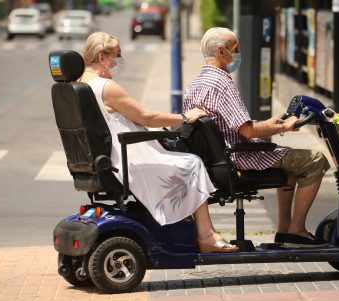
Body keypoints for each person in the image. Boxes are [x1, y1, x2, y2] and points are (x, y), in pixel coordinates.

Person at [79, 32, 238, 253]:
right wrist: (184, 118)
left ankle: (193, 230)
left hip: (107, 158)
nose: (119, 61)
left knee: (184, 161)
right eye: (117, 55)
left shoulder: (79, 85)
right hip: (128, 158)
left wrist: (153, 129)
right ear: (102, 56)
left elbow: (118, 120)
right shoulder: (105, 86)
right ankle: (206, 235)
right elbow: (147, 117)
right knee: (192, 163)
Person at [183, 27, 331, 248]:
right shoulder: (222, 83)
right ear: (222, 52)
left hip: (215, 161)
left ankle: (284, 233)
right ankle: (297, 230)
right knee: (317, 160)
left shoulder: (193, 85)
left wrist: (274, 124)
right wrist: (282, 126)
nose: (238, 54)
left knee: (291, 166)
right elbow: (248, 130)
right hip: (239, 158)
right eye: (236, 49)